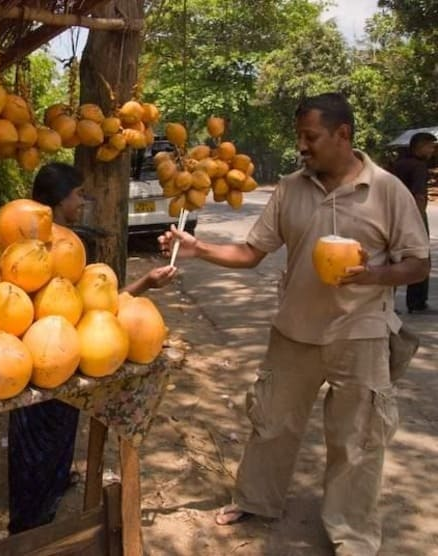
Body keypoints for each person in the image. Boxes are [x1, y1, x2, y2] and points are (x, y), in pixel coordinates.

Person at [159, 93, 430, 555]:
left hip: (360, 333)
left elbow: (417, 264)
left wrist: (374, 275)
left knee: (358, 442)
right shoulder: (290, 187)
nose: (302, 146)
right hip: (294, 331)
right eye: (298, 137)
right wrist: (199, 249)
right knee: (271, 422)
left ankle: (353, 534)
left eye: (311, 137)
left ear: (342, 134)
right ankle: (256, 499)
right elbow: (250, 254)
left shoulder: (385, 190)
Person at [7, 162, 177, 534]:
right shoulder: (38, 250)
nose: (83, 201)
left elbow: (93, 306)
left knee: (55, 433)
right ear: (56, 201)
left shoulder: (62, 243)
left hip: (59, 355)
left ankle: (45, 497)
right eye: (78, 194)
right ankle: (29, 526)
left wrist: (145, 283)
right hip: (39, 357)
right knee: (36, 440)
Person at [390, 131, 435, 313]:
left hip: (393, 215)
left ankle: (389, 304)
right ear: (420, 146)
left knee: (392, 259)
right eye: (430, 147)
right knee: (420, 258)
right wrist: (417, 223)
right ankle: (417, 302)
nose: (432, 151)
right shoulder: (418, 167)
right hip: (413, 216)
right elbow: (419, 196)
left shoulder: (397, 165)